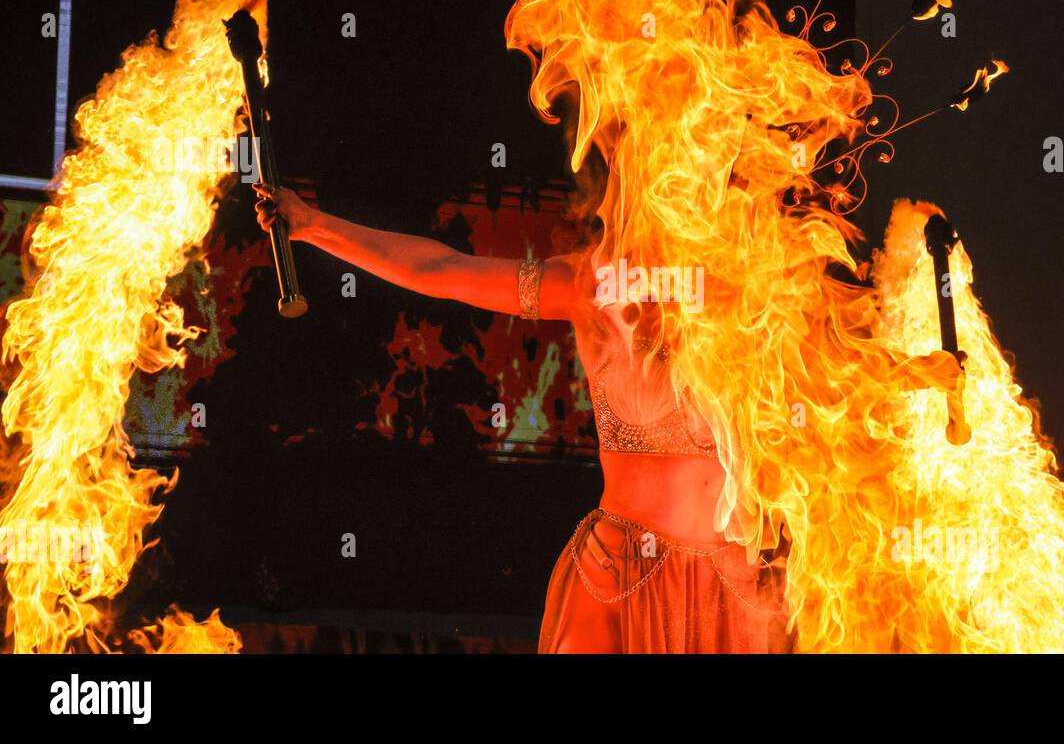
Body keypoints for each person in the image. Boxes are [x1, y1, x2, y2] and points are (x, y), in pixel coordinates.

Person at [254, 183, 792, 653]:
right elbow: (446, 271)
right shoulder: (595, 286)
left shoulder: (755, 301)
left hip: (730, 591)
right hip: (620, 574)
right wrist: (314, 225)